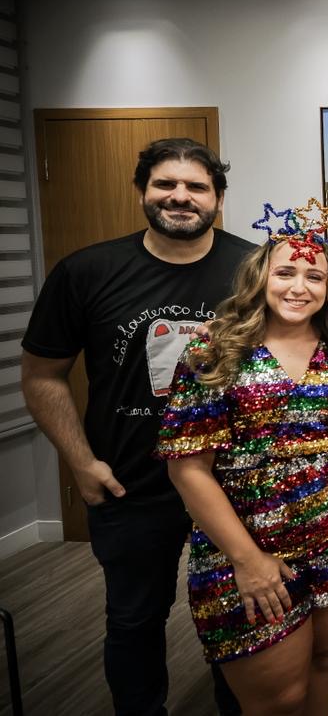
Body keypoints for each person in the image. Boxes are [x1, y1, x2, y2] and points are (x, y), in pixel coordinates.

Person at [20, 138, 255, 716]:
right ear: (142, 192)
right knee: (134, 618)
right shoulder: (86, 271)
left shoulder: (255, 269)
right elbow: (43, 375)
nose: (180, 196)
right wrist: (80, 461)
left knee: (241, 617)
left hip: (234, 483)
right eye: (165, 184)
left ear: (218, 198)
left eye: (196, 186)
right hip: (130, 483)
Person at [156, 204, 328, 715]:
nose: (299, 286)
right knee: (278, 699)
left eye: (314, 275)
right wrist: (249, 561)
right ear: (261, 276)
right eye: (285, 272)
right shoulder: (213, 352)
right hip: (243, 553)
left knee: (327, 664)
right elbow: (187, 467)